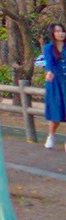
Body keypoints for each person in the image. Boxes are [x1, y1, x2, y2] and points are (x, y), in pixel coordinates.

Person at [42, 22, 66, 150]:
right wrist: (49, 72)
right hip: (55, 82)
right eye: (57, 31)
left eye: (62, 30)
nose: (60, 33)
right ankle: (51, 136)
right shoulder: (48, 48)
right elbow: (49, 63)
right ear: (52, 33)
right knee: (56, 112)